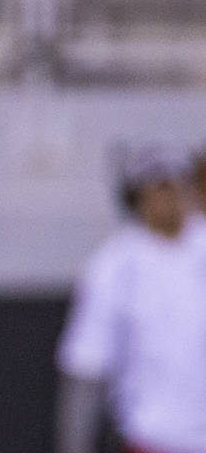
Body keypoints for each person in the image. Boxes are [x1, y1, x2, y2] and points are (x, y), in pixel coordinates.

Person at [55, 144, 206, 453]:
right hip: (151, 439)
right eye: (157, 188)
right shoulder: (113, 266)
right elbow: (87, 366)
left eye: (174, 186)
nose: (167, 198)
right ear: (137, 198)